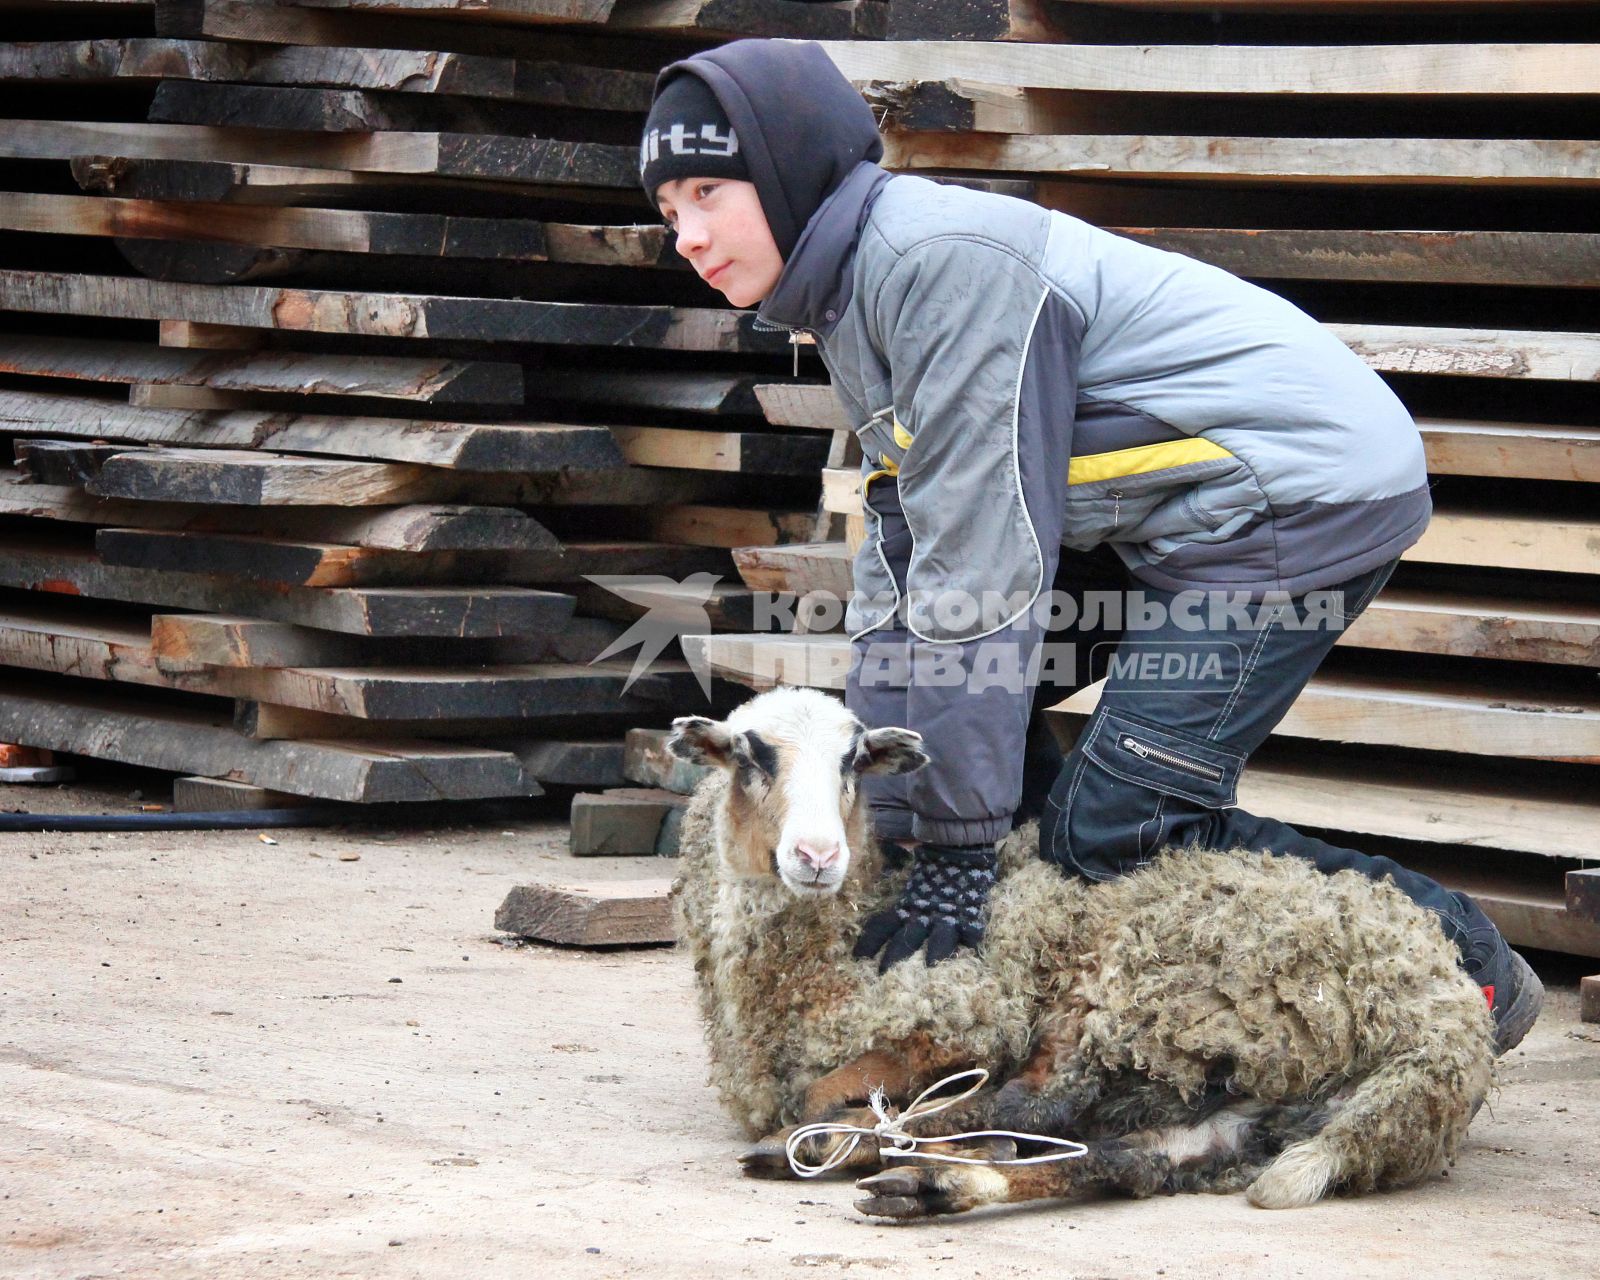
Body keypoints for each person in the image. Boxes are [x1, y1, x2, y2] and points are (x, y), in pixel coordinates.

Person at [640, 39, 1542, 1054]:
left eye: (711, 190)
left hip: (1294, 497)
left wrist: (959, 848)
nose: (689, 233)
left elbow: (980, 574)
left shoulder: (939, 264)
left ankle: (1466, 966)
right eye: (670, 210)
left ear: (791, 164)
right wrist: (885, 809)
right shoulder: (846, 294)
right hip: (1158, 500)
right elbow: (903, 557)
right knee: (974, 745)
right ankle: (1015, 958)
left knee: (1118, 832)